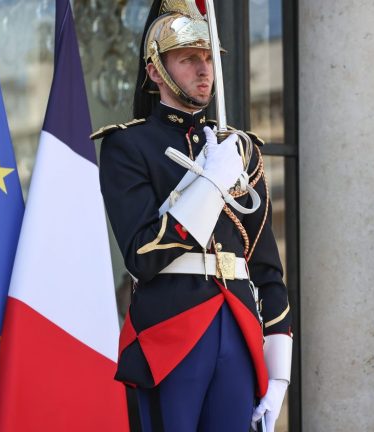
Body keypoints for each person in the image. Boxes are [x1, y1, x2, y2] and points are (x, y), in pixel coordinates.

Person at [92, 1, 292, 430]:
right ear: (155, 71)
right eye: (188, 59)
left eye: (207, 58)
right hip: (172, 329)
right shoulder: (129, 146)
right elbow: (143, 252)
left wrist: (278, 372)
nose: (204, 70)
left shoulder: (239, 149)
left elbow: (265, 266)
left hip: (238, 325)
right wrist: (209, 185)